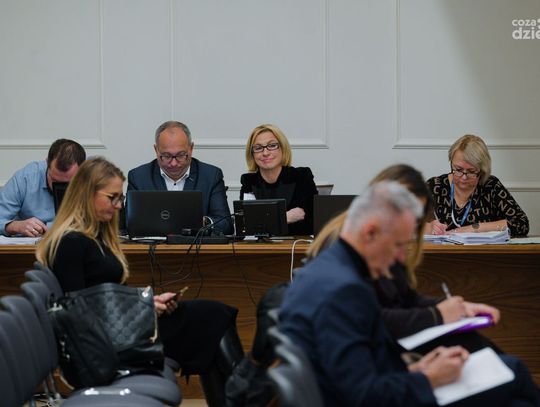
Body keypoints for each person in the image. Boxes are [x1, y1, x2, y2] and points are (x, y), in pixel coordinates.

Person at [279, 181, 540, 406]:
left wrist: (417, 368)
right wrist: (428, 377)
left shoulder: (332, 266)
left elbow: (358, 367)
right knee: (512, 372)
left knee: (510, 382)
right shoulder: (344, 289)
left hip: (384, 381)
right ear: (370, 232)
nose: (402, 257)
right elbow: (364, 395)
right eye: (399, 245)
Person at [35, 157, 239, 388]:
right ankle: (246, 390)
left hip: (121, 329)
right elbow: (77, 312)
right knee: (212, 316)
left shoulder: (93, 237)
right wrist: (143, 307)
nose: (119, 205)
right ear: (86, 195)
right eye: (112, 197)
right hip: (108, 343)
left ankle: (242, 392)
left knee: (212, 318)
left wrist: (148, 303)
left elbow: (106, 297)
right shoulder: (70, 243)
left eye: (120, 198)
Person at [307, 164, 500, 343]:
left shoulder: (389, 243)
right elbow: (369, 318)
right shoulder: (345, 246)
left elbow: (406, 298)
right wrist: (437, 315)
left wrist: (456, 308)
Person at [128, 121, 233, 234]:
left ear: (191, 148)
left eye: (181, 155)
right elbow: (129, 224)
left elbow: (226, 225)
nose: (173, 163)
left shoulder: (210, 176)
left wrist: (203, 222)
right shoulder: (139, 177)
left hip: (195, 245)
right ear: (156, 150)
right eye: (166, 156)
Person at [427, 134, 529, 237]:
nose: (464, 177)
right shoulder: (435, 186)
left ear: (482, 170)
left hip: (482, 248)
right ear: (451, 163)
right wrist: (428, 227)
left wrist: (474, 228)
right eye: (458, 169)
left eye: (471, 171)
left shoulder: (491, 186)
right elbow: (416, 224)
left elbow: (521, 223)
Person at [240, 124, 318, 235]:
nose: (265, 153)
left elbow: (311, 222)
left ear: (283, 148)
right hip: (261, 246)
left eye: (272, 145)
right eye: (258, 148)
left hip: (297, 245)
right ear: (252, 154)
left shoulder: (301, 176)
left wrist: (264, 222)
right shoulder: (248, 181)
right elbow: (247, 226)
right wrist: (285, 218)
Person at [0, 138, 86, 237]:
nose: (59, 188)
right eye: (54, 180)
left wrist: (48, 227)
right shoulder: (26, 178)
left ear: (83, 170)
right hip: (30, 245)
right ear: (47, 162)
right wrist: (15, 226)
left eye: (68, 183)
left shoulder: (93, 178)